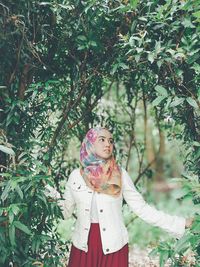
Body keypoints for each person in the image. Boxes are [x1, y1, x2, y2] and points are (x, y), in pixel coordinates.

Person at [47, 127, 194, 267]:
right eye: (102, 140)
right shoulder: (76, 177)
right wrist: (47, 191)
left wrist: (181, 223)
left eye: (110, 141)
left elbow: (141, 208)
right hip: (83, 247)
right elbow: (65, 213)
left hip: (114, 247)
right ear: (90, 143)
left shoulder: (120, 174)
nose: (108, 144)